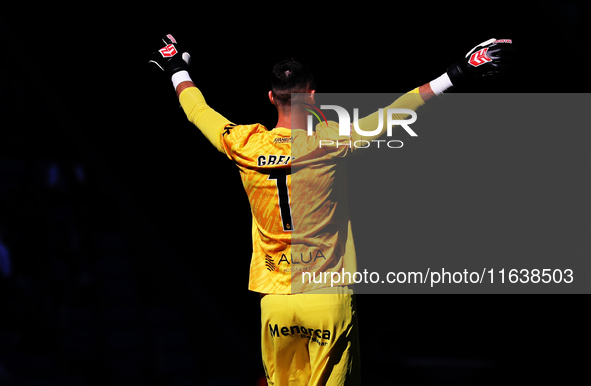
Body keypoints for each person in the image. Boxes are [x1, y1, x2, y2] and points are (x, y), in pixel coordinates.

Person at [149, 35, 516, 385]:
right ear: (311, 96)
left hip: (274, 302)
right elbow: (394, 113)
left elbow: (198, 111)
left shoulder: (242, 143)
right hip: (325, 295)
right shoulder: (331, 142)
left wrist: (176, 68)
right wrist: (458, 72)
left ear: (270, 97)